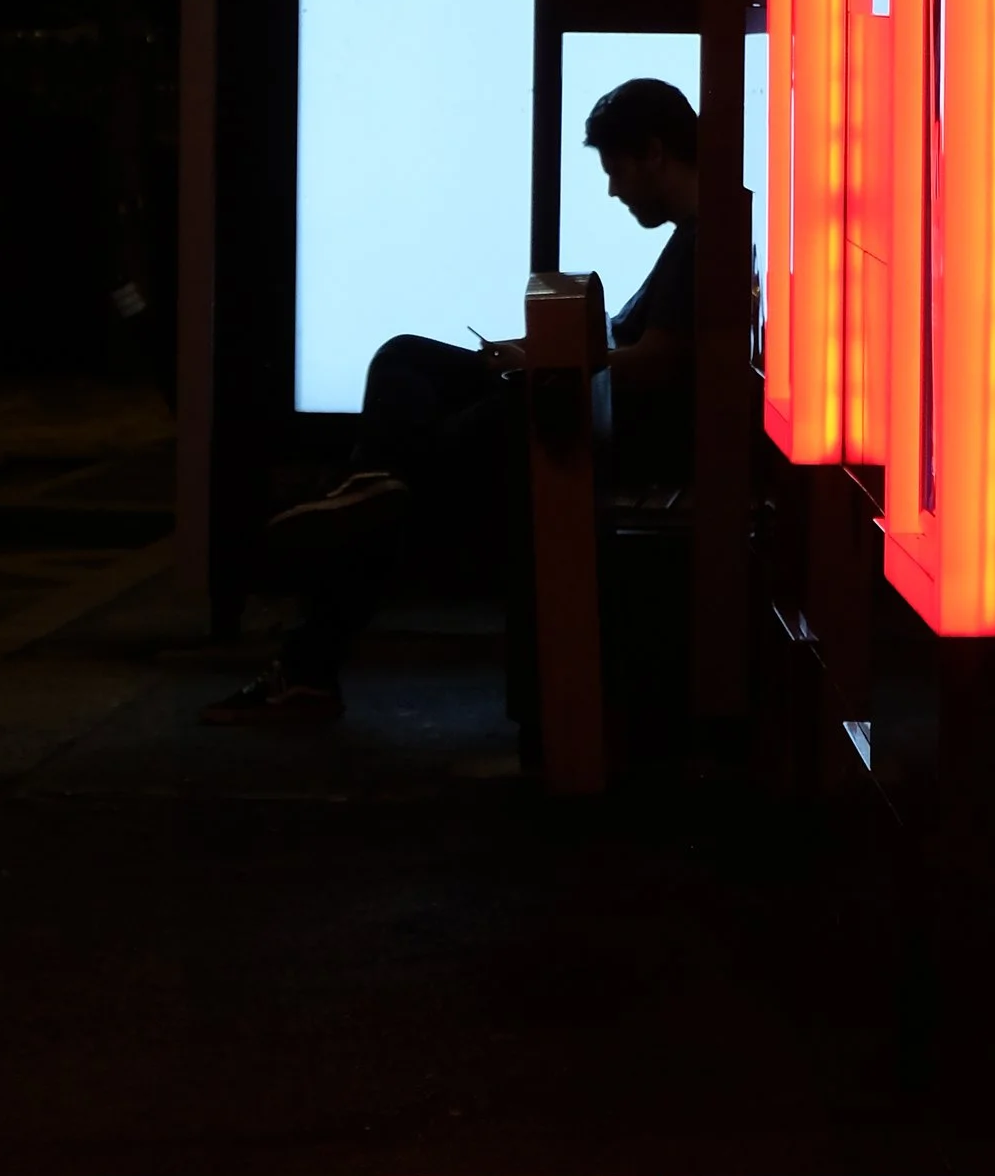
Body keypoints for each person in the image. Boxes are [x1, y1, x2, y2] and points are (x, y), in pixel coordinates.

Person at [205, 76, 700, 728]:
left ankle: (313, 647)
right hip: (581, 400)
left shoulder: (701, 238)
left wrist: (550, 361)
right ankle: (372, 485)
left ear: (654, 153)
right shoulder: (698, 233)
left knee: (394, 500)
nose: (612, 189)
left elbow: (660, 362)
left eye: (616, 171)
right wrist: (539, 352)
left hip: (586, 422)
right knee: (404, 356)